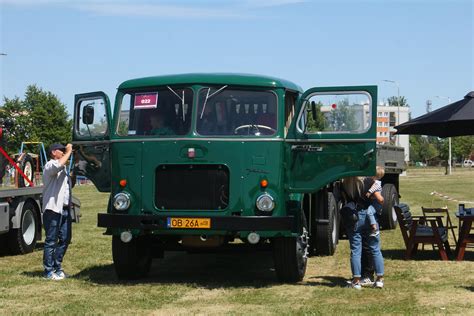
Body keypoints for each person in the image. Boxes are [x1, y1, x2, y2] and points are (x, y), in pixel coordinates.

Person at [341, 176, 385, 289]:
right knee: (375, 248)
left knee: (356, 250)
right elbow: (380, 199)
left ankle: (356, 281)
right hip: (370, 218)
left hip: (354, 217)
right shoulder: (369, 181)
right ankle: (379, 279)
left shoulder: (344, 182)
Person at [42, 143, 73, 280]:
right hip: (52, 209)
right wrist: (69, 151)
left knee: (65, 239)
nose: (63, 152)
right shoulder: (50, 165)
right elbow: (58, 165)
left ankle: (57, 266)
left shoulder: (63, 167)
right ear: (54, 152)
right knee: (51, 240)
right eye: (61, 150)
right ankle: (48, 271)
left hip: (64, 209)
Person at [365, 166, 385, 236]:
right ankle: (374, 227)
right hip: (374, 203)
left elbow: (374, 187)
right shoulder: (375, 181)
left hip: (376, 203)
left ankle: (374, 228)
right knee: (370, 212)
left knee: (369, 212)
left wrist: (369, 192)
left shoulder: (377, 182)